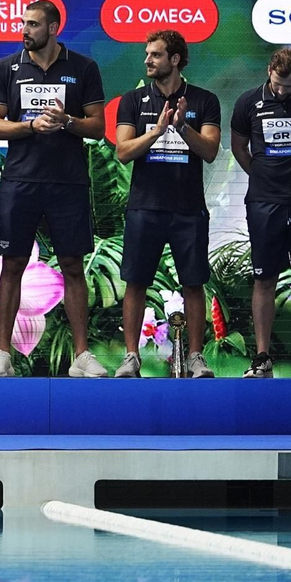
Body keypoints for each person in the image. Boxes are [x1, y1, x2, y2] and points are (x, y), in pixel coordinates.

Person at [0, 0, 107, 378]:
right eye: (24, 23)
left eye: (34, 24)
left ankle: (81, 355)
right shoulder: (6, 67)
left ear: (53, 28)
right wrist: (30, 127)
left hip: (67, 182)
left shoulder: (83, 67)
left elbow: (98, 127)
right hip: (20, 182)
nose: (25, 30)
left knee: (72, 265)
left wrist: (68, 121)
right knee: (13, 264)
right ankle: (3, 353)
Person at [114, 30, 220, 378]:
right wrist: (157, 132)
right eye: (147, 54)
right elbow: (123, 152)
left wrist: (182, 127)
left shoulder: (204, 100)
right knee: (136, 282)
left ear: (175, 59)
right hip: (145, 207)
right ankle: (131, 357)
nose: (148, 60)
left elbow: (209, 151)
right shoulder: (132, 100)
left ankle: (194, 357)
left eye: (156, 55)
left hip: (188, 209)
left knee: (193, 282)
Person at [230, 47, 291, 378]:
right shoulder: (248, 102)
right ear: (269, 71)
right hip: (264, 203)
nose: (281, 91)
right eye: (277, 84)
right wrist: (263, 176)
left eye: (288, 86)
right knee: (265, 278)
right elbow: (239, 145)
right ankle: (262, 357)